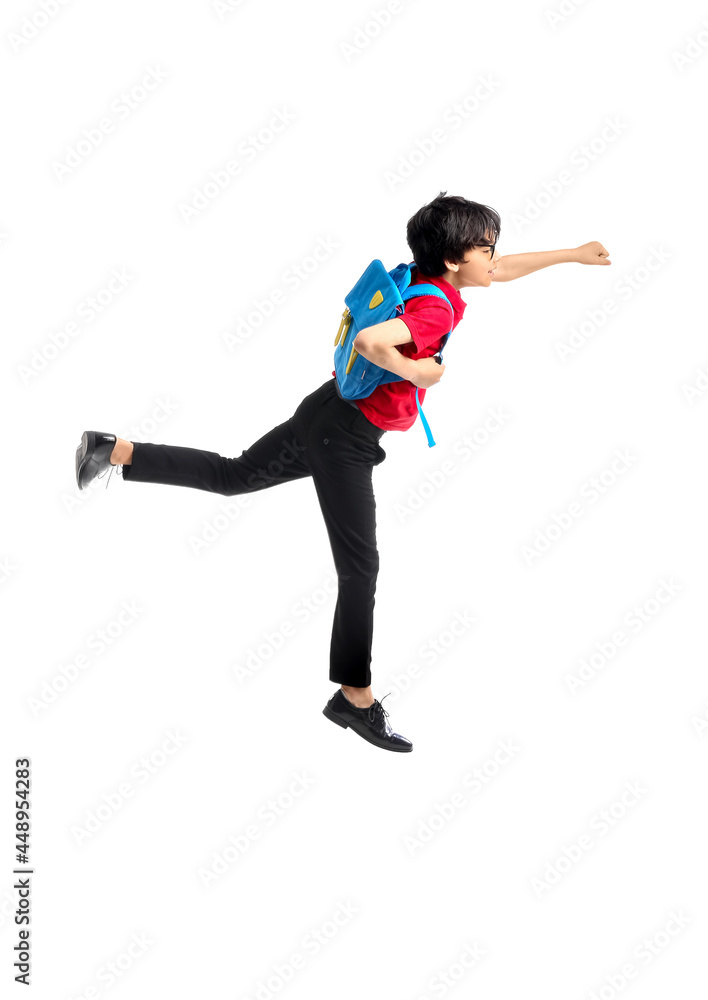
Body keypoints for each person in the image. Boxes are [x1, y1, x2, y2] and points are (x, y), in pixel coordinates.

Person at [75, 191, 610, 753]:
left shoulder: (424, 277)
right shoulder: (436, 307)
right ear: (456, 260)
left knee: (234, 476)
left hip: (326, 410)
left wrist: (574, 254)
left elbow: (504, 271)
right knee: (361, 570)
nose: (495, 261)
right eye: (487, 250)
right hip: (345, 438)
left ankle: (113, 450)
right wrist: (421, 373)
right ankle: (354, 698)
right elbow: (371, 340)